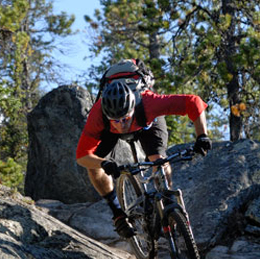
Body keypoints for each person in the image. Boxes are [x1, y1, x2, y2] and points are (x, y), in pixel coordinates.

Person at [76, 68, 212, 238]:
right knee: (94, 167)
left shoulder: (148, 102)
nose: (121, 125)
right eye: (115, 120)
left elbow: (193, 102)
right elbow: (82, 156)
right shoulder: (98, 114)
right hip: (109, 133)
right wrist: (103, 163)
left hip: (147, 123)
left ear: (132, 107)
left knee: (159, 160)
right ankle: (118, 213)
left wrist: (202, 136)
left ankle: (166, 197)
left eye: (124, 118)